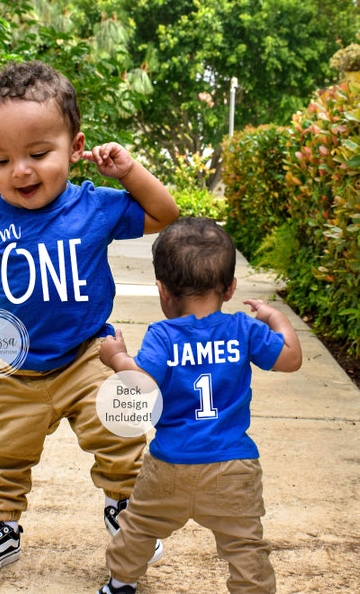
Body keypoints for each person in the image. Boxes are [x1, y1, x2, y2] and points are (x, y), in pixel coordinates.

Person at [0, 60, 179, 578]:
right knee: (3, 452)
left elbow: (164, 213)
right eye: (1, 159)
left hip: (88, 354)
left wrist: (129, 172)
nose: (20, 171)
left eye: (38, 154)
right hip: (15, 365)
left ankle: (127, 511)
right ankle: (1, 526)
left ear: (75, 147)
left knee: (121, 434)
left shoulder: (95, 206)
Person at [97, 217, 302, 594]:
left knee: (139, 527)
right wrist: (275, 318)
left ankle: (121, 583)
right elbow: (290, 358)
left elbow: (141, 382)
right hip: (233, 467)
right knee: (245, 544)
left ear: (163, 291)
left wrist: (117, 357)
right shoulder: (245, 329)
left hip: (170, 464)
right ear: (229, 290)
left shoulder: (163, 335)